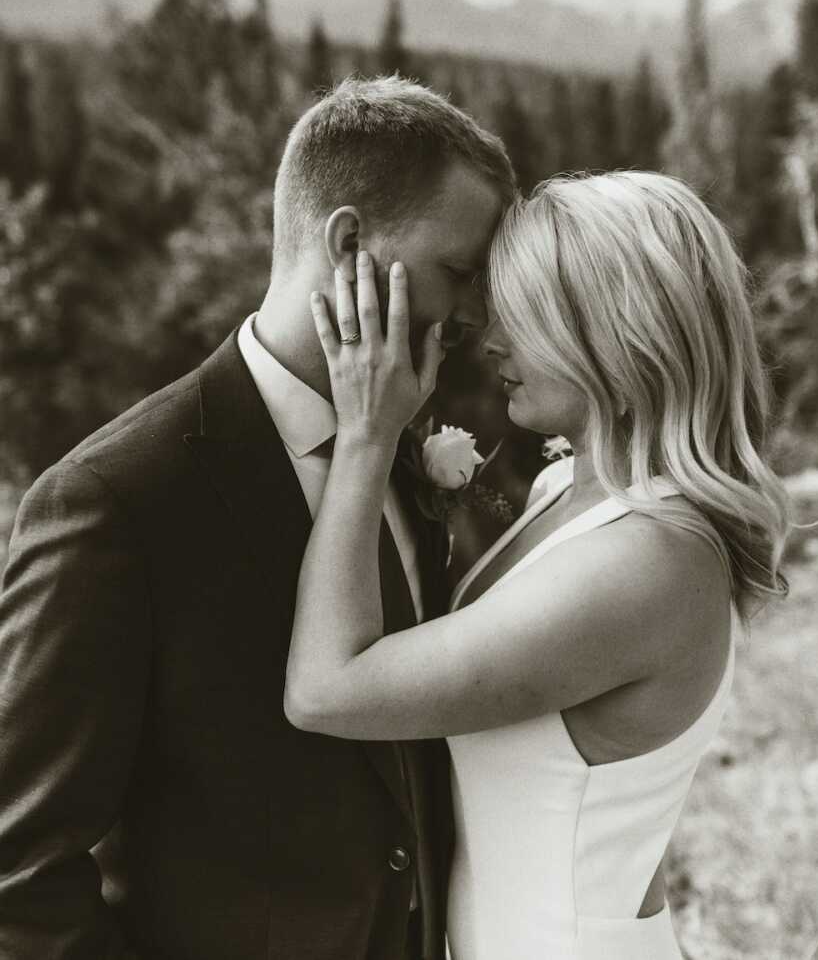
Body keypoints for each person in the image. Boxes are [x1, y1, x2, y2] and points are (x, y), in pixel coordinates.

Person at [0, 77, 515, 960]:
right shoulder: (116, 501)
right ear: (349, 242)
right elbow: (18, 875)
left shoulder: (400, 446)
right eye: (460, 272)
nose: (476, 313)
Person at [283, 170, 791, 960]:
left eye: (523, 317)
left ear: (616, 330)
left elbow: (326, 689)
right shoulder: (568, 485)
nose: (491, 342)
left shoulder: (650, 556)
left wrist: (365, 436)